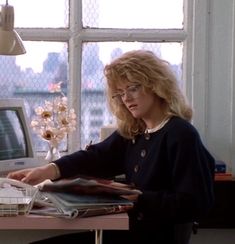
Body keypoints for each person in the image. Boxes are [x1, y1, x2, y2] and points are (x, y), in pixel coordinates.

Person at [8, 50, 215, 244]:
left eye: (133, 88)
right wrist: (48, 170)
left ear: (156, 85)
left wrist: (140, 199)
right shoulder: (135, 130)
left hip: (153, 238)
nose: (126, 98)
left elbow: (196, 203)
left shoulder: (181, 134)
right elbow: (96, 157)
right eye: (120, 93)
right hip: (130, 230)